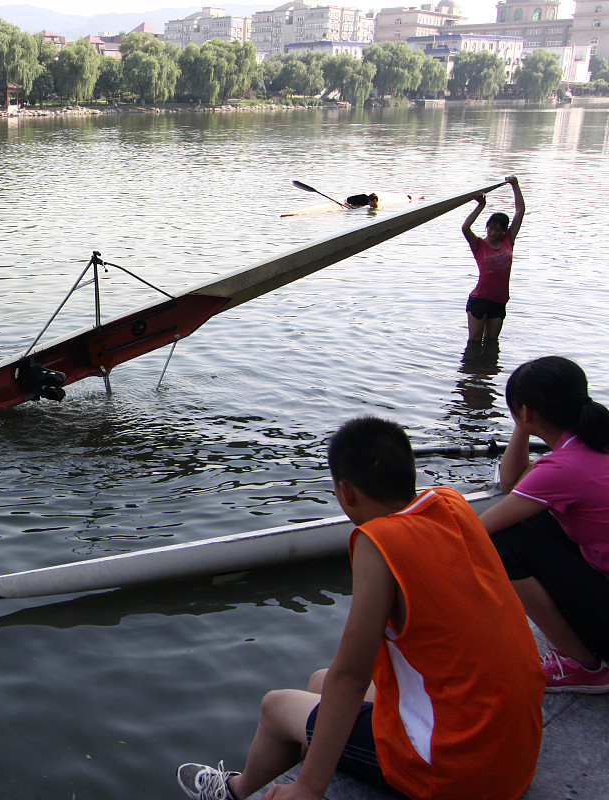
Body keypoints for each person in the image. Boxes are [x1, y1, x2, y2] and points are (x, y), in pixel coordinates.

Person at [177, 417, 544, 800]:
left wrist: (309, 789)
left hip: (458, 768)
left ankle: (234, 791)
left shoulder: (378, 541)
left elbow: (351, 677)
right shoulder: (450, 503)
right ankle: (308, 766)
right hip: (513, 747)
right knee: (320, 681)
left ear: (346, 492)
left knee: (276, 707)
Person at [479, 356, 609, 693]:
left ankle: (582, 665)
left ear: (527, 411)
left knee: (502, 543)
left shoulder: (562, 467)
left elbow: (480, 529)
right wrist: (524, 422)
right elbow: (512, 483)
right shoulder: (591, 441)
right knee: (532, 512)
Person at [460, 175, 524, 343]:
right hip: (479, 299)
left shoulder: (508, 240)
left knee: (491, 343)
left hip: (499, 300)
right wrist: (481, 206)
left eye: (497, 229)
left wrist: (514, 185)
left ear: (504, 231)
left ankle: (487, 369)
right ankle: (473, 368)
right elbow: (465, 227)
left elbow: (520, 210)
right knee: (474, 342)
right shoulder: (479, 244)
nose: (493, 232)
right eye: (491, 228)